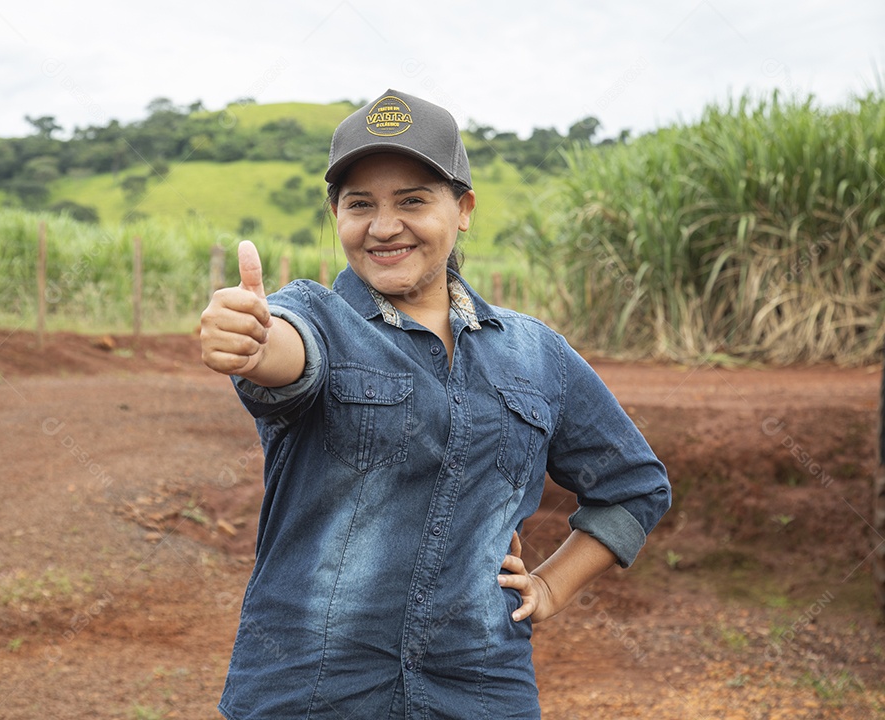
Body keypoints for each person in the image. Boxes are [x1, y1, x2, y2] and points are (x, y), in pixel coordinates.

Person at [200, 88, 671, 719]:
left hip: (479, 693)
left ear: (464, 208)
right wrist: (252, 341)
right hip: (309, 694)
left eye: (413, 201)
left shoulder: (538, 355)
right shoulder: (316, 316)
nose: (384, 226)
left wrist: (551, 586)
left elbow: (634, 485)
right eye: (359, 204)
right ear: (335, 214)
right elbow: (288, 355)